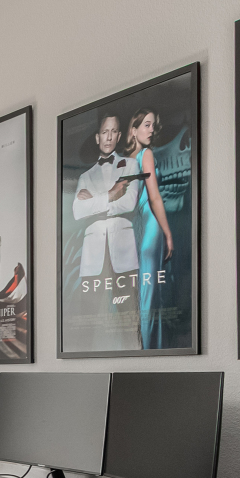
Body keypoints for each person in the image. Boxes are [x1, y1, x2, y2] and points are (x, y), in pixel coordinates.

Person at [70, 111, 172, 352]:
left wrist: (94, 202)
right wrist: (109, 195)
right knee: (86, 329)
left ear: (118, 136)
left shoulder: (131, 164)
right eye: (104, 132)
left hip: (124, 255)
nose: (108, 137)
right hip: (92, 260)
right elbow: (77, 212)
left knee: (130, 327)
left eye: (113, 131)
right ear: (97, 137)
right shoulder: (85, 176)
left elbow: (129, 204)